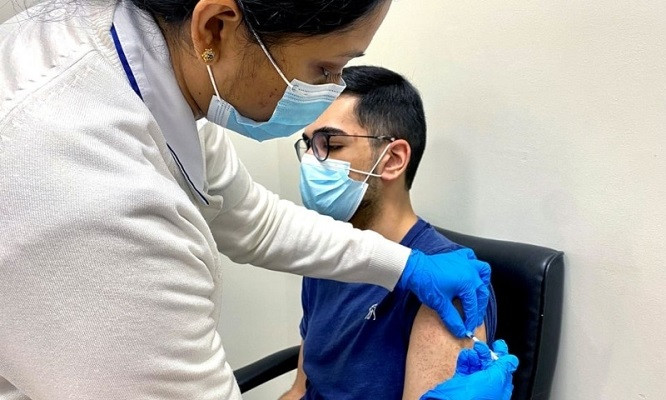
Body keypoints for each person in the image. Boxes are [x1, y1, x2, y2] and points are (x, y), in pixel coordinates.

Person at [0, 0, 492, 398]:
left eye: (332, 144)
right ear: (214, 28)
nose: (324, 91)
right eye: (323, 68)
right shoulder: (93, 194)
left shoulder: (160, 93)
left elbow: (253, 220)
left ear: (393, 158)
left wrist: (403, 266)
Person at [281, 66, 499, 400]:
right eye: (309, 145)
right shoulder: (327, 253)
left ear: (393, 159)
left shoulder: (448, 287)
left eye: (331, 145)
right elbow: (300, 390)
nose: (311, 161)